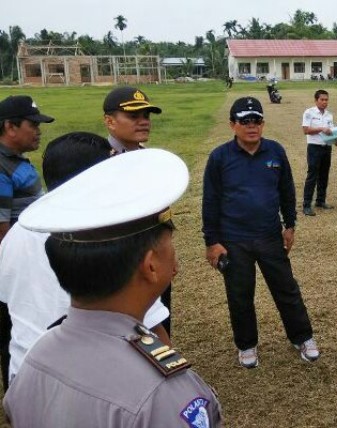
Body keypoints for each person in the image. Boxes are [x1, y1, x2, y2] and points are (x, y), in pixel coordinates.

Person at [3, 149, 222, 427]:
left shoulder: (35, 357)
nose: (176, 260)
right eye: (170, 245)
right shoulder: (164, 395)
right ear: (150, 265)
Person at [0, 132, 170, 385]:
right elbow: (150, 324)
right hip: (97, 379)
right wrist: (176, 379)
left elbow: (8, 306)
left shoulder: (18, 232)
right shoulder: (110, 236)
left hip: (27, 374)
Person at [202, 96, 319, 369]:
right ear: (233, 125)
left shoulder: (275, 152)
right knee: (240, 295)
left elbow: (286, 191)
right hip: (234, 240)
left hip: (269, 236)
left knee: (287, 290)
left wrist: (289, 225)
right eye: (245, 121)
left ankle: (303, 338)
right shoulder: (220, 157)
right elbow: (210, 202)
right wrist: (212, 242)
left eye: (256, 120)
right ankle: (246, 345)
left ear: (263, 124)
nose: (251, 126)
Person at [102, 86, 175, 336]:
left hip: (154, 255)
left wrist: (167, 254)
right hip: (118, 260)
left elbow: (163, 214)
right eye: (134, 116)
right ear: (109, 121)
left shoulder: (151, 160)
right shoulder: (98, 162)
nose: (144, 122)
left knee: (160, 319)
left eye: (147, 115)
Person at [0, 95, 54, 391]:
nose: (38, 130)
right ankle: (18, 395)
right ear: (10, 126)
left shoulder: (16, 161)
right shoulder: (1, 169)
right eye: (32, 124)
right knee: (15, 335)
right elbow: (2, 233)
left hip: (31, 262)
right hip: (17, 269)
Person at [301, 89, 337, 216]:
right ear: (316, 100)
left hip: (326, 147)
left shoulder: (329, 115)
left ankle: (320, 200)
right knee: (312, 175)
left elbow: (331, 131)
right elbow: (306, 130)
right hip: (314, 147)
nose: (324, 102)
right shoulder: (309, 112)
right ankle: (307, 204)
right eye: (322, 99)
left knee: (324, 175)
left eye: (326, 100)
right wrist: (321, 129)